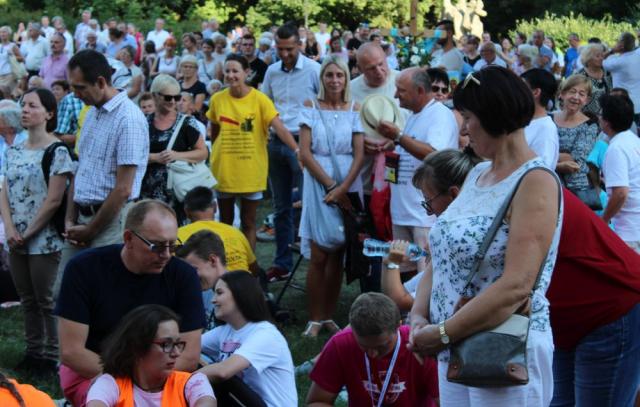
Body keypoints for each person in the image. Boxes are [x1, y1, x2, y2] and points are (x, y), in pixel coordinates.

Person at [409, 66, 562, 406]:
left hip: (504, 349)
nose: (463, 129)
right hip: (455, 346)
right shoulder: (477, 172)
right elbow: (443, 255)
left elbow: (517, 285)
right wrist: (419, 316)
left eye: (467, 117)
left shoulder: (535, 180)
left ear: (494, 115)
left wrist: (443, 332)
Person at [55, 200, 206, 407]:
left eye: (173, 245)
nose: (166, 255)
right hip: (95, 369)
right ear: (128, 238)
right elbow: (72, 352)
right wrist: (133, 385)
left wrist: (146, 384)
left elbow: (189, 356)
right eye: (157, 246)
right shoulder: (84, 268)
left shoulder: (183, 276)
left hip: (162, 375)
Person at [58, 49, 149, 284]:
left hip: (111, 224)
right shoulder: (91, 113)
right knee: (64, 292)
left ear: (100, 82)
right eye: (72, 87)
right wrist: (70, 221)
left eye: (80, 88)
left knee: (103, 295)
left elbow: (123, 189)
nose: (75, 94)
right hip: (82, 219)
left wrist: (91, 230)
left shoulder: (128, 119)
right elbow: (80, 169)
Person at [0, 89, 74, 374]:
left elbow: (54, 199)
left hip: (44, 239)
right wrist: (9, 228)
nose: (25, 110)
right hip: (15, 237)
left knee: (46, 299)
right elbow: (4, 191)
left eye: (32, 105)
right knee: (27, 299)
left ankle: (52, 356)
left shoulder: (57, 151)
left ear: (49, 113)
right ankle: (33, 352)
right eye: (23, 105)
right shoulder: (14, 150)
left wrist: (27, 233)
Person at [548, 188, 640, 407]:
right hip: (563, 322)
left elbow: (621, 192)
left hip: (610, 311)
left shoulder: (531, 185)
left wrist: (604, 218)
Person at [297, 56, 364, 337]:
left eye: (339, 75)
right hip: (317, 181)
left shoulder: (355, 108)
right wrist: (330, 186)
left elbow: (359, 154)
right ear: (322, 77)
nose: (334, 80)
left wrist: (343, 188)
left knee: (338, 252)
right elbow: (305, 151)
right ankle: (315, 317)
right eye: (329, 75)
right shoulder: (310, 107)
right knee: (318, 253)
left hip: (348, 180)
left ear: (346, 78)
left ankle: (328, 315)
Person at [376, 68, 458, 282]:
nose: (396, 95)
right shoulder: (415, 115)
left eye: (401, 90)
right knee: (402, 273)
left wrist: (398, 136)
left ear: (420, 90)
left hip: (423, 214)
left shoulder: (439, 114)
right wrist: (394, 143)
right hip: (404, 210)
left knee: (425, 277)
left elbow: (433, 154)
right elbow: (412, 147)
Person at [208, 54, 298, 250]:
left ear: (246, 72)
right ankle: (229, 261)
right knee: (226, 222)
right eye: (227, 71)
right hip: (225, 169)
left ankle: (248, 264)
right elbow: (214, 131)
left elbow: (280, 128)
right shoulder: (217, 99)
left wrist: (297, 150)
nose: (231, 75)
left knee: (248, 222)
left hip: (251, 170)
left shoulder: (260, 99)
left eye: (235, 71)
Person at [382, 148, 482, 312]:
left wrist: (391, 262)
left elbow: (400, 300)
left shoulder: (454, 243)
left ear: (454, 195)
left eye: (429, 200)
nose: (428, 212)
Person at [260, 24, 320, 280]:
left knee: (309, 204)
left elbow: (323, 105)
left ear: (299, 45)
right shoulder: (272, 71)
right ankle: (282, 263)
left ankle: (315, 261)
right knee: (281, 206)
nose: (284, 54)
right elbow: (265, 104)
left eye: (289, 49)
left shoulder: (314, 70)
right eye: (280, 49)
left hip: (304, 141)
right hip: (276, 141)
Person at [307, 292, 439, 406]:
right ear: (352, 330)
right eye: (364, 346)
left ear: (398, 326)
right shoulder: (340, 344)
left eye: (382, 346)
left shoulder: (419, 346)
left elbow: (444, 402)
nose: (373, 354)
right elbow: (317, 401)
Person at [198, 271, 297, 407]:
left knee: (217, 379)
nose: (213, 300)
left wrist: (183, 381)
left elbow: (222, 372)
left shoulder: (265, 334)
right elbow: (187, 348)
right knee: (195, 363)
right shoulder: (225, 331)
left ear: (240, 295)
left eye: (219, 293)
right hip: (242, 401)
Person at [86, 305, 216, 407]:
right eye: (166, 344)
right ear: (137, 347)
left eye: (177, 344)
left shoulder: (193, 382)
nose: (176, 353)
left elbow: (206, 402)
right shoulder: (110, 384)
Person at [140, 74, 207, 223]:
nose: (173, 102)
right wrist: (154, 157)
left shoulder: (186, 122)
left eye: (176, 97)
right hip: (148, 193)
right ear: (154, 95)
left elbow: (203, 153)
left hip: (179, 193)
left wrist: (177, 155)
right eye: (168, 97)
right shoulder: (143, 122)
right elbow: (133, 156)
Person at [178, 186, 257, 272]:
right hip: (244, 279)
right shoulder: (235, 232)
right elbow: (253, 267)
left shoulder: (177, 236)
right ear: (215, 207)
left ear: (186, 211)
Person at [600, 93, 640, 252]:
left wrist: (604, 220)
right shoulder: (634, 141)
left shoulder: (616, 148)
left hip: (629, 233)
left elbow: (621, 193)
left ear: (606, 122)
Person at [554, 75, 599, 201]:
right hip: (547, 182)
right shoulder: (548, 118)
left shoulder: (590, 125)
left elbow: (575, 159)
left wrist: (547, 159)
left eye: (581, 94)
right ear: (562, 94)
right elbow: (535, 150)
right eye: (572, 91)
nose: (576, 97)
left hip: (576, 189)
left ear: (587, 100)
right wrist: (561, 160)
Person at [521, 68, 560, 169]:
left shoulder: (546, 129)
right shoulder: (520, 121)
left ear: (536, 92)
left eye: (521, 87)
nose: (515, 91)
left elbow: (540, 170)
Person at [603, 32, 640, 125]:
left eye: (618, 41)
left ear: (621, 45)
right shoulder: (638, 55)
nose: (616, 43)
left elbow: (601, 59)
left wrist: (612, 50)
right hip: (638, 105)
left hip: (623, 105)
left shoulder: (618, 62)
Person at [577, 43, 612, 115]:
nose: (601, 58)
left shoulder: (608, 73)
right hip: (585, 116)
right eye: (597, 56)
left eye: (602, 56)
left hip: (606, 116)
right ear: (588, 58)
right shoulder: (580, 75)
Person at [0, 26, 23, 90]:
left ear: (9, 34)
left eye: (4, 32)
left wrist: (12, 55)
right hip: (0, 75)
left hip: (9, 74)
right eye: (1, 32)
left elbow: (22, 59)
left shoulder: (12, 46)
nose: (2, 34)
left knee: (6, 93)